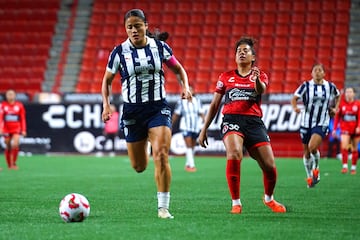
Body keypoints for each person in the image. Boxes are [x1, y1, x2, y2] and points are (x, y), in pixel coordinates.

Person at [101, 9, 192, 219]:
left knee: (161, 153)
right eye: (129, 27)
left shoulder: (160, 48)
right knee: (139, 166)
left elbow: (178, 69)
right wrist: (106, 105)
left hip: (157, 108)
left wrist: (184, 86)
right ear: (126, 29)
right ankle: (146, 148)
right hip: (132, 112)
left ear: (146, 25)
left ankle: (163, 207)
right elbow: (106, 81)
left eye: (137, 25)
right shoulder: (118, 52)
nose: (134, 30)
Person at [198, 37, 286, 214]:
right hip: (231, 120)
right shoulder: (226, 77)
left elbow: (261, 90)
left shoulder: (260, 76)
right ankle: (236, 203)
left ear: (253, 57)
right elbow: (215, 104)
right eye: (239, 51)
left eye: (245, 50)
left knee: (269, 165)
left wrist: (255, 80)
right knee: (235, 153)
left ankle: (269, 199)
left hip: (254, 122)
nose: (241, 53)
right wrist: (204, 129)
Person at [291, 63, 340, 188]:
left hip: (322, 121)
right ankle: (309, 177)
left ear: (324, 73)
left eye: (320, 70)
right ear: (311, 73)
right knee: (306, 152)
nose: (317, 72)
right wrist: (295, 107)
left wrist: (335, 108)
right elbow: (295, 98)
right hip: (305, 122)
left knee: (313, 147)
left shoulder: (330, 86)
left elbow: (338, 95)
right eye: (315, 70)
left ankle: (316, 168)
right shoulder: (306, 86)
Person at [172, 86, 205, 172]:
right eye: (187, 90)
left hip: (195, 127)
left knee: (193, 146)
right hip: (185, 126)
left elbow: (201, 114)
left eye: (191, 90)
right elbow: (176, 114)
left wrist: (205, 126)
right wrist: (170, 125)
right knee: (189, 145)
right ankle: (191, 165)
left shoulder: (197, 101)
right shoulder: (181, 102)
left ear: (193, 92)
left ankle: (187, 164)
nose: (189, 91)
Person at [332, 87, 360, 174]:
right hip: (345, 129)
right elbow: (337, 117)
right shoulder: (341, 104)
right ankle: (344, 166)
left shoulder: (358, 104)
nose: (348, 93)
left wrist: (359, 126)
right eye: (347, 92)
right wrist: (334, 129)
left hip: (355, 129)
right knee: (344, 146)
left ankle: (353, 168)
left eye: (350, 92)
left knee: (354, 149)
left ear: (354, 94)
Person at [0, 89, 27, 170]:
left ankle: (14, 163)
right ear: (6, 96)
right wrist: (1, 128)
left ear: (15, 95)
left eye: (12, 94)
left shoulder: (19, 105)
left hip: (16, 128)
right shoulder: (3, 105)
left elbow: (22, 118)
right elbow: (1, 117)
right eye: (8, 94)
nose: (10, 96)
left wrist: (23, 129)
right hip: (6, 128)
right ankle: (9, 165)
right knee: (8, 146)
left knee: (15, 144)